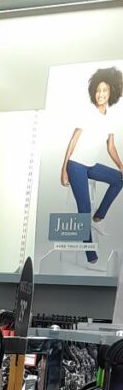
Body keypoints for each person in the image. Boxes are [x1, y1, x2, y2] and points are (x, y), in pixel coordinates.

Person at [61, 65, 123, 264]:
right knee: (84, 209)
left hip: (90, 165)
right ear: (93, 92)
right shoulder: (87, 112)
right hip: (75, 165)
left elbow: (111, 146)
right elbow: (73, 140)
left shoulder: (110, 118)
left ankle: (99, 217)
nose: (101, 94)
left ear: (111, 92)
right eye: (98, 90)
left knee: (119, 179)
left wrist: (121, 166)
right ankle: (89, 252)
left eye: (105, 90)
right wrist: (64, 169)